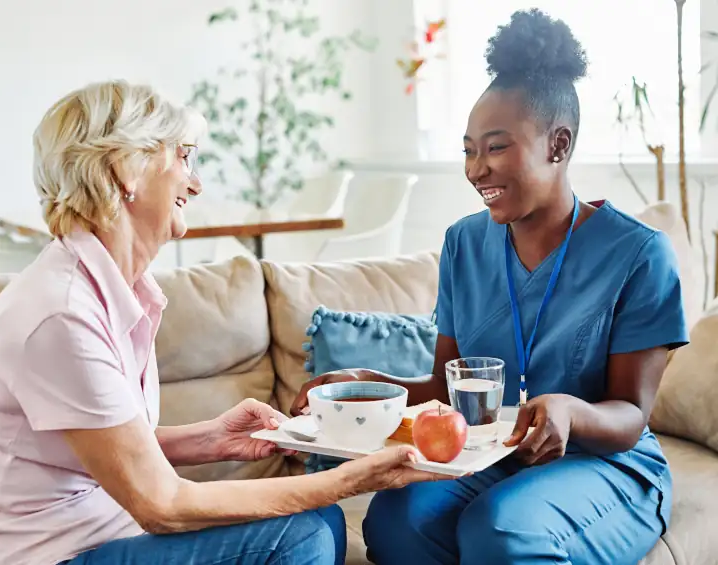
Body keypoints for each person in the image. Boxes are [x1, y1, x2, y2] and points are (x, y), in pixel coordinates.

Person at [0, 80, 452, 565]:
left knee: (320, 521)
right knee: (302, 533)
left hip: (94, 539)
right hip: (45, 557)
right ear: (127, 170)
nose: (196, 182)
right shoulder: (60, 316)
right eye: (183, 157)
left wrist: (211, 439)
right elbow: (160, 505)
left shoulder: (103, 293)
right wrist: (353, 480)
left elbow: (103, 446)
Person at [292, 9, 689, 565]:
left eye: (496, 147)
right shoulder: (463, 243)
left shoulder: (638, 253)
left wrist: (570, 412)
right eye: (469, 149)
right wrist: (364, 383)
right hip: (490, 454)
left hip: (604, 464)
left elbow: (629, 416)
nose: (477, 168)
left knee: (500, 530)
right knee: (395, 521)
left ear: (558, 144)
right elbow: (442, 387)